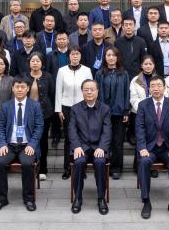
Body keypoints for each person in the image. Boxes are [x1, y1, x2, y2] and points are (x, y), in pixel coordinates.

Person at [0, 78, 45, 213]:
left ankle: (29, 199)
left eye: (23, 87)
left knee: (27, 164)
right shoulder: (6, 106)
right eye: (17, 87)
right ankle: (1, 199)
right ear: (12, 89)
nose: (20, 89)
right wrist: (2, 144)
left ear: (27, 89)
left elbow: (39, 127)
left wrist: (32, 144)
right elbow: (1, 127)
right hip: (9, 145)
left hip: (27, 145)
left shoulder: (35, 105)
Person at [135, 76, 169, 220]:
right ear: (149, 88)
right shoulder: (143, 105)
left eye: (159, 85)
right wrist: (142, 147)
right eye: (153, 86)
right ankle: (146, 201)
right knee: (144, 161)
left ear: (164, 87)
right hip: (150, 148)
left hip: (168, 148)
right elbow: (139, 128)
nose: (156, 88)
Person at [68, 78, 112, 215]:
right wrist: (76, 146)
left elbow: (107, 131)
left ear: (97, 91)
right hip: (81, 146)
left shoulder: (105, 109)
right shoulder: (75, 109)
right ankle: (78, 198)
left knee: (100, 162)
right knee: (79, 162)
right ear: (82, 92)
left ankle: (101, 198)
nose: (89, 92)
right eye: (86, 89)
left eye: (92, 89)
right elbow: (72, 129)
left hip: (98, 146)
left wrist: (102, 147)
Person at [55, 47, 93, 180]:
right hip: (66, 107)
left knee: (83, 137)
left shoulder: (87, 70)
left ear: (80, 56)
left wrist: (90, 106)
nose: (75, 56)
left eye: (77, 54)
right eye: (72, 54)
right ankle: (67, 168)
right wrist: (58, 109)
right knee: (68, 138)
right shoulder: (62, 70)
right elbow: (58, 90)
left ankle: (81, 169)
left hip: (83, 107)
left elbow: (91, 89)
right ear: (69, 56)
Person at [96, 47, 131, 179]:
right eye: (108, 55)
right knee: (105, 140)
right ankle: (104, 165)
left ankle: (116, 168)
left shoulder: (124, 73)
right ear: (105, 58)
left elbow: (127, 92)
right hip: (103, 112)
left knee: (117, 141)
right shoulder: (100, 73)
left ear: (117, 57)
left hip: (119, 113)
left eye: (113, 55)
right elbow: (96, 93)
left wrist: (126, 110)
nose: (111, 58)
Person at [25, 52, 55, 180]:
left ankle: (43, 169)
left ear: (42, 63)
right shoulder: (24, 77)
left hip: (44, 114)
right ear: (29, 63)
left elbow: (52, 94)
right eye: (33, 61)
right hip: (27, 114)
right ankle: (30, 167)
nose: (35, 63)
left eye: (38, 61)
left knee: (43, 142)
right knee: (29, 141)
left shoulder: (48, 77)